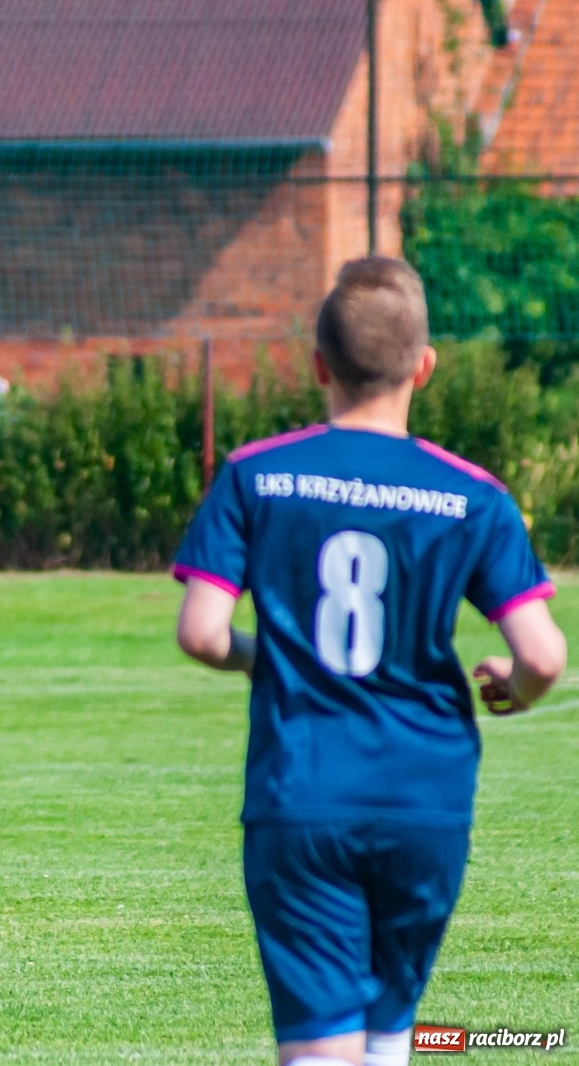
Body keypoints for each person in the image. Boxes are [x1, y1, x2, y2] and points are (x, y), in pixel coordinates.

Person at [172, 257, 567, 1066]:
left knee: (319, 1048)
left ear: (318, 364)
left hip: (302, 792)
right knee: (393, 1039)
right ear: (425, 366)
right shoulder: (473, 495)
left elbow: (203, 632)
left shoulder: (257, 473)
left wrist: (269, 659)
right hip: (428, 798)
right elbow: (542, 654)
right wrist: (515, 689)